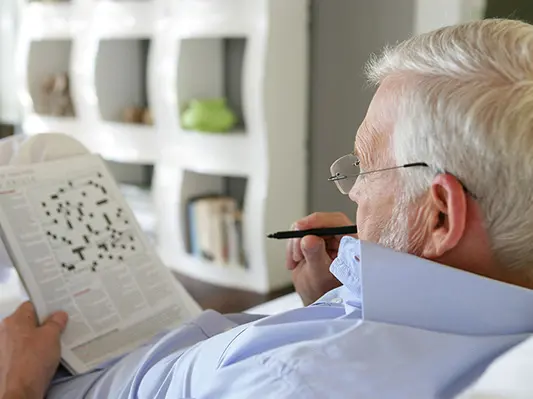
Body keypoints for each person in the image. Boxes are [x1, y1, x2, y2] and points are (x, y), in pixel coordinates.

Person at [3, 18, 533, 399]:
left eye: (367, 167)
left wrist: (18, 385)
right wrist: (338, 299)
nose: (351, 192)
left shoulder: (291, 383)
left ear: (440, 216)